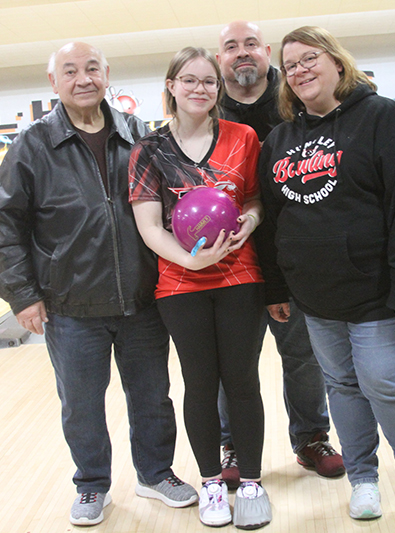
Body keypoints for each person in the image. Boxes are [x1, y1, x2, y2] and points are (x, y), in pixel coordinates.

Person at [0, 42, 198, 527]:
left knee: (152, 395)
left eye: (92, 69)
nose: (83, 79)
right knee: (81, 403)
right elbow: (6, 227)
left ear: (107, 75)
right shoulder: (32, 146)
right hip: (70, 303)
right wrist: (22, 296)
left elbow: (170, 204)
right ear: (54, 82)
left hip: (142, 297)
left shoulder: (137, 134)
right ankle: (91, 485)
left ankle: (155, 473)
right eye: (70, 70)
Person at [257, 26, 395, 522]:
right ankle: (363, 479)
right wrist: (277, 284)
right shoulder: (280, 139)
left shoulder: (382, 118)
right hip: (315, 295)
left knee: (385, 381)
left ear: (337, 61)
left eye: (309, 58)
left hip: (376, 289)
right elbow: (272, 220)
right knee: (342, 386)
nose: (300, 71)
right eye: (290, 66)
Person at [128, 46, 271, 530]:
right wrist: (191, 257)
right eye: (188, 80)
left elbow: (253, 199)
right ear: (171, 86)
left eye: (208, 81)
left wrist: (247, 225)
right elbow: (149, 226)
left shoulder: (242, 137)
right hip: (180, 281)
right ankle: (212, 483)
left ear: (218, 88)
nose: (199, 89)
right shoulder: (148, 149)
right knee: (200, 383)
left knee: (243, 380)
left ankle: (250, 483)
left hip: (240, 275)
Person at [215, 19, 344, 486]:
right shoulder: (209, 110)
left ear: (267, 52)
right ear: (219, 59)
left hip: (293, 260)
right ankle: (230, 445)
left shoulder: (296, 102)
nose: (242, 53)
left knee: (304, 358)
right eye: (231, 47)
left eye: (251, 44)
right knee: (233, 363)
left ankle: (311, 438)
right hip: (227, 264)